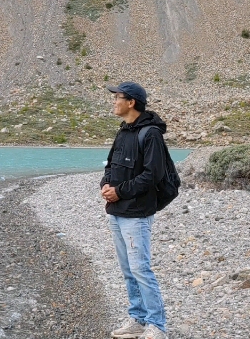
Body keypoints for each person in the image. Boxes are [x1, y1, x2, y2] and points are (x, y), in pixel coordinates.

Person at [100, 81, 169, 339]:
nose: (114, 102)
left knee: (140, 268)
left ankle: (157, 325)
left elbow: (152, 175)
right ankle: (137, 319)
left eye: (117, 97)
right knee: (128, 269)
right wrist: (106, 185)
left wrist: (120, 191)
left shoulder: (150, 134)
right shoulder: (124, 131)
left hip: (137, 213)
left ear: (131, 102)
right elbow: (110, 165)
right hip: (117, 211)